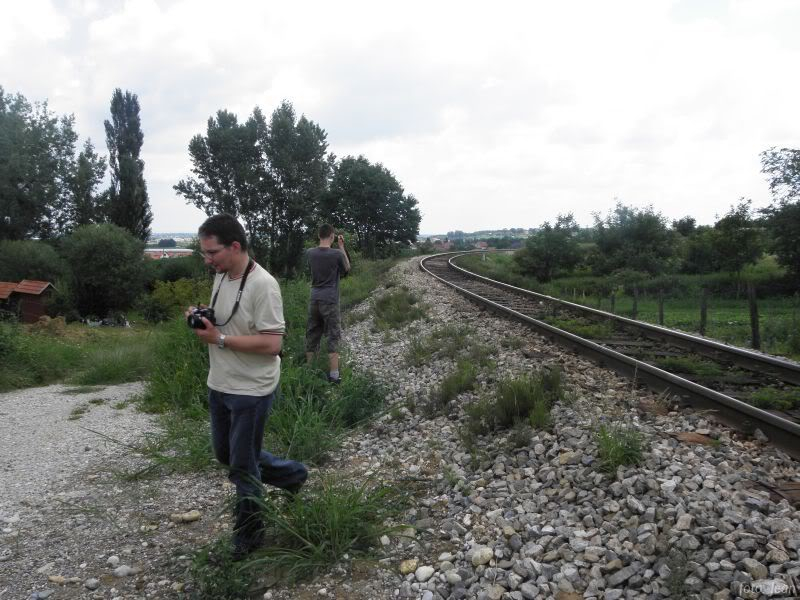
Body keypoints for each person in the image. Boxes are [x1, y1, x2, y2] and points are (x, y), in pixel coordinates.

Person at [187, 213, 307, 558]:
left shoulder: (263, 285)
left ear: (235, 246)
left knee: (241, 467)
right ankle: (293, 475)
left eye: (212, 253)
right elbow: (226, 318)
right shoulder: (223, 275)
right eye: (204, 254)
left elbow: (272, 344)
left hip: (251, 390)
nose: (208, 261)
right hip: (220, 382)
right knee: (227, 455)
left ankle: (248, 540)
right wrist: (202, 316)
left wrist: (219, 338)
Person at [305, 223, 351, 383]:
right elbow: (347, 268)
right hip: (330, 300)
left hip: (314, 298)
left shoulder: (310, 253)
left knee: (312, 334)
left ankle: (309, 372)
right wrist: (341, 247)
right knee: (333, 335)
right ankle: (334, 376)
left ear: (319, 235)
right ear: (332, 236)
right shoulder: (336, 254)